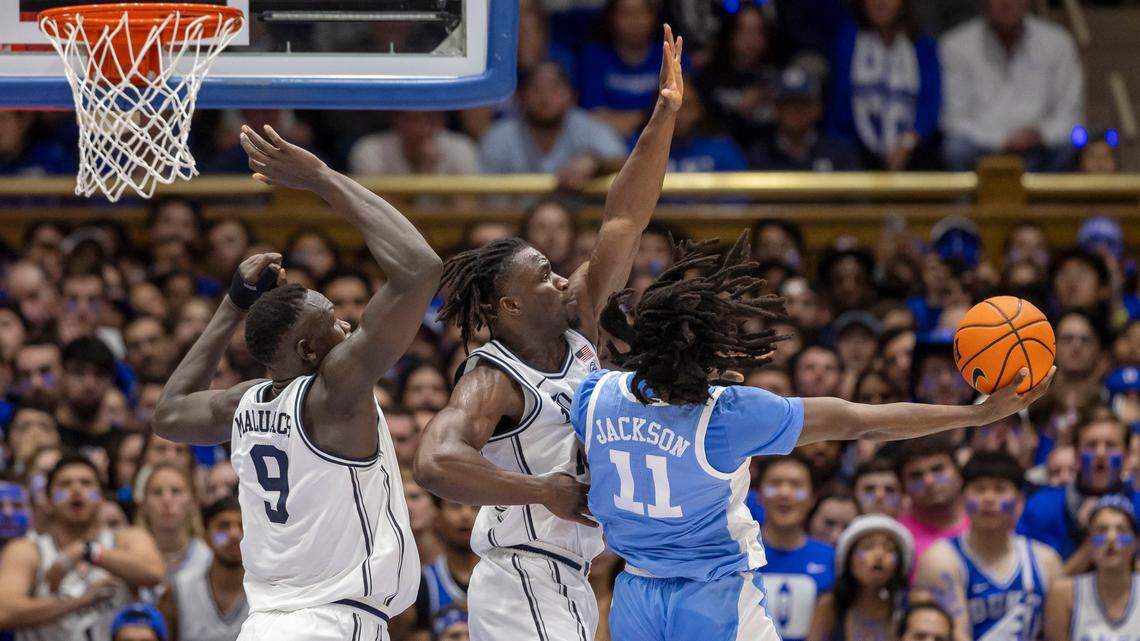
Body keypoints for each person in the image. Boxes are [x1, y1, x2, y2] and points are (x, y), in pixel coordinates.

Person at [569, 233, 1054, 641]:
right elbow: (864, 419)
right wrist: (977, 415)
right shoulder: (728, 415)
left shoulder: (594, 395)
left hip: (634, 594)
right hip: (711, 595)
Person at [415, 26, 685, 641]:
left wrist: (663, 116)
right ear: (509, 303)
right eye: (543, 274)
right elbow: (434, 463)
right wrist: (542, 490)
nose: (561, 276)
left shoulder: (579, 325)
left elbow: (623, 218)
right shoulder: (492, 378)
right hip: (522, 576)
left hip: (569, 575)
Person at [153, 124, 440, 640]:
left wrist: (232, 306)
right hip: (331, 622)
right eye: (333, 320)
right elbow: (420, 268)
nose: (347, 324)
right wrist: (322, 177)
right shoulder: (334, 393)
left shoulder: (245, 404)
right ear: (310, 351)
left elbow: (169, 414)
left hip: (264, 624)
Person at [0, 456, 165, 641]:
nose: (76, 490)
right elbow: (4, 612)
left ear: (102, 498)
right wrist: (78, 602)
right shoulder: (29, 549)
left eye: (86, 483)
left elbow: (155, 572)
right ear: (48, 500)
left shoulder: (125, 538)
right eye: (65, 484)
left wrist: (89, 551)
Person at [914, 451, 1061, 641]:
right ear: (961, 498)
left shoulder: (1046, 560)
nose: (989, 498)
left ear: (1020, 501)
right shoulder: (941, 558)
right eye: (979, 489)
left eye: (1000, 489)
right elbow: (956, 634)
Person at [939, 0, 1083, 171]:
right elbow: (953, 119)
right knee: (956, 148)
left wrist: (1041, 134)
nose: (1006, 3)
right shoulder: (955, 44)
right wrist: (1002, 141)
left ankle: (1048, 198)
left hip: (1040, 145)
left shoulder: (1058, 42)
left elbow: (1072, 115)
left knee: (1075, 141)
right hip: (981, 144)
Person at [827, 0, 941, 170]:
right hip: (855, 143)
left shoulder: (922, 46)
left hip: (911, 146)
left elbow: (930, 103)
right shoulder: (846, 39)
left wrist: (907, 142)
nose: (880, 2)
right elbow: (838, 106)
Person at [479, 62, 628, 191]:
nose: (545, 98)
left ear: (571, 95)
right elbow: (484, 196)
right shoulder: (499, 136)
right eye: (536, 89)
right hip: (511, 221)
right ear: (521, 96)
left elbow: (623, 161)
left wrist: (595, 163)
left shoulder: (587, 126)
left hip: (575, 221)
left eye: (554, 89)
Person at [1018, 412, 1140, 568]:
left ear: (1128, 455)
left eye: (1110, 445)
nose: (1100, 453)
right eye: (1091, 445)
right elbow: (1038, 585)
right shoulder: (1042, 506)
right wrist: (1091, 537)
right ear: (1075, 455)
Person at [755, 456, 834, 641]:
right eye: (774, 484)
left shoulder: (830, 557)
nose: (784, 493)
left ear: (812, 498)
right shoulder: (737, 555)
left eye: (796, 485)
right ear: (758, 495)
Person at [1043, 496, 1140, 641]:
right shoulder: (1063, 594)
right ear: (1088, 543)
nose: (1111, 537)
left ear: (1136, 543)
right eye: (1102, 530)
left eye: (1122, 530)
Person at [806, 515, 917, 641]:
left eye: (889, 549)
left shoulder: (906, 607)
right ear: (848, 558)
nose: (879, 555)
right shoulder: (830, 605)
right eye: (867, 546)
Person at [158, 497, 248, 641]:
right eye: (224, 526)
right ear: (206, 535)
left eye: (243, 526)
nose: (234, 534)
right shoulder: (178, 590)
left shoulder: (268, 590)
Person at [748, 66, 862, 172]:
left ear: (817, 108)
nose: (795, 111)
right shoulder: (759, 157)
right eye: (788, 104)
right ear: (776, 109)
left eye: (803, 103)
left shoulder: (840, 153)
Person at [896, 436, 970, 563]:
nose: (928, 481)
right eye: (916, 476)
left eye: (937, 470)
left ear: (959, 474)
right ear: (904, 486)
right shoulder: (896, 537)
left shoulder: (989, 521)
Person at [136, 463, 210, 586]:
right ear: (143, 505)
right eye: (157, 492)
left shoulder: (207, 559)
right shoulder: (132, 556)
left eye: (176, 491)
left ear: (193, 502)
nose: (166, 500)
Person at [415, 500, 477, 625]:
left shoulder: (506, 576)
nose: (466, 515)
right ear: (437, 518)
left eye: (476, 507)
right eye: (455, 506)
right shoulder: (421, 582)